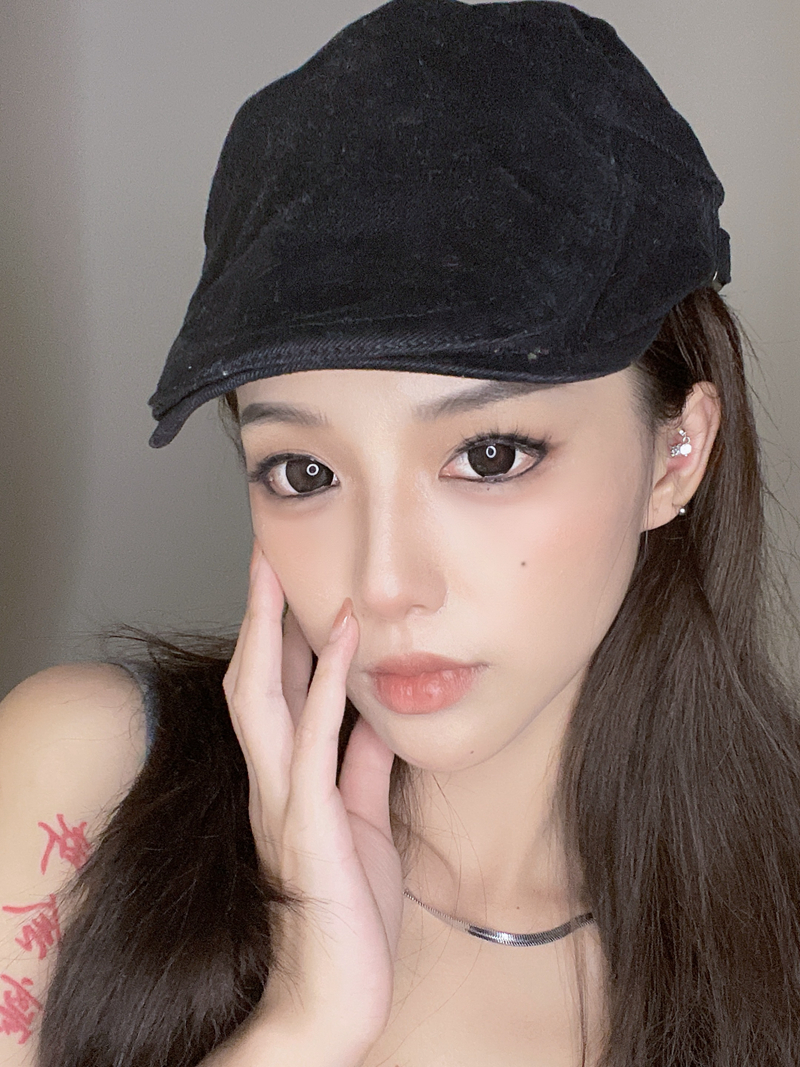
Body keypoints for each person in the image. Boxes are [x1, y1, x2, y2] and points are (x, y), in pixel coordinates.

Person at [2, 1, 799, 1065]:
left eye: (490, 455)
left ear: (676, 453)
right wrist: (305, 1023)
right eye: (304, 471)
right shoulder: (85, 778)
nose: (382, 583)